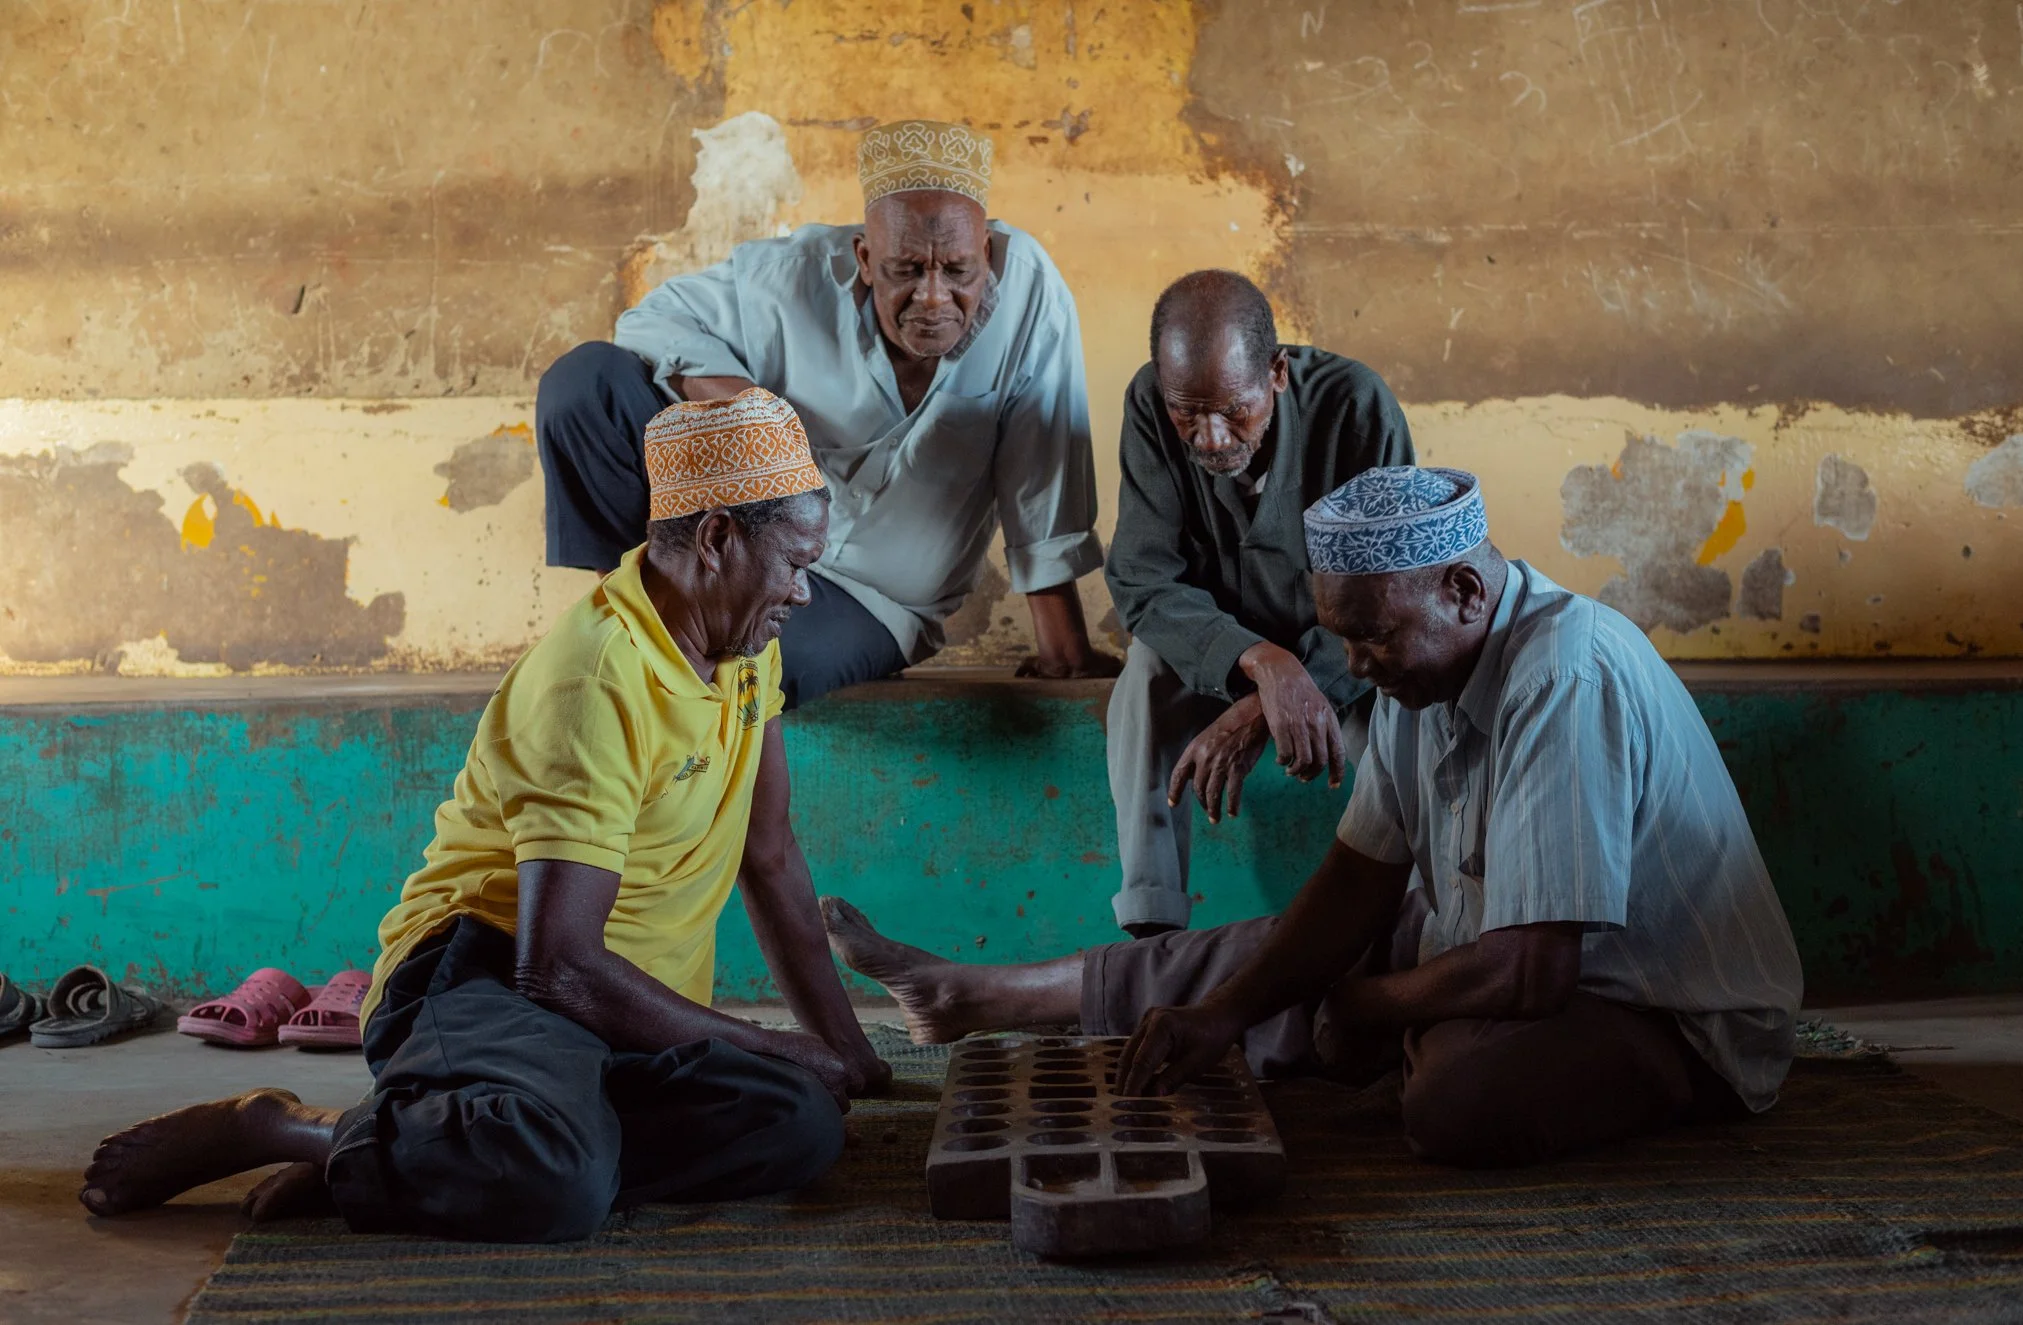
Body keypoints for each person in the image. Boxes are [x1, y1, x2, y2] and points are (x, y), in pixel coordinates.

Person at [80, 391, 893, 1241]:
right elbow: (559, 970)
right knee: (561, 1183)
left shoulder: (746, 648)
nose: (805, 593)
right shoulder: (595, 680)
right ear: (719, 538)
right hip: (486, 974)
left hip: (615, 1014)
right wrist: (764, 1044)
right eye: (796, 564)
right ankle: (291, 1128)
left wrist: (849, 1056)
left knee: (801, 1123)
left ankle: (432, 1152)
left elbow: (769, 855)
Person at [823, 465, 1805, 1167]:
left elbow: (1533, 967)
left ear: (1462, 591)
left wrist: (1373, 1003)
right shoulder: (1421, 679)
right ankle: (976, 994)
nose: (1356, 667)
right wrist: (1227, 1011)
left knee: (1454, 1103)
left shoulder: (1563, 668)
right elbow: (1354, 882)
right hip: (1498, 950)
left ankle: (1390, 1040)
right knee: (1267, 955)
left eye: (1371, 639)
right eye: (1340, 641)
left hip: (1661, 1016)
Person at [536, 119, 1119, 709]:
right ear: (864, 258)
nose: (935, 298)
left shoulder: (1031, 295)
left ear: (986, 256)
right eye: (907, 271)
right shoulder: (790, 277)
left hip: (874, 600)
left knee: (752, 666)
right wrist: (752, 411)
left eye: (958, 272)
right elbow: (649, 322)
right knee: (586, 384)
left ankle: (663, 636)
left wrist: (1064, 651)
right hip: (746, 557)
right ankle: (627, 611)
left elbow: (1042, 467)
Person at [1104, 271, 1414, 937]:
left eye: (1233, 411)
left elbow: (1390, 589)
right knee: (1142, 680)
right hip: (1221, 658)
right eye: (1188, 411)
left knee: (1408, 728)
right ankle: (1152, 932)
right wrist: (1260, 663)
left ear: (1276, 372)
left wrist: (1280, 694)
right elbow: (1142, 578)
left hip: (1342, 664)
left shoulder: (1356, 406)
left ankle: (1423, 921)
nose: (1211, 437)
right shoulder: (1149, 405)